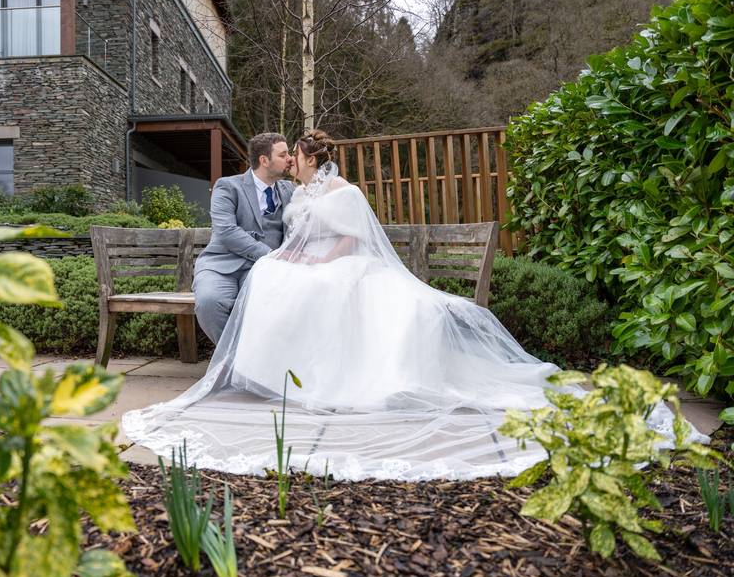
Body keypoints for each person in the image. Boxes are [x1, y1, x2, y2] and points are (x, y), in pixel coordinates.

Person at [123, 129, 693, 482]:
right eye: (282, 155)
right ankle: (266, 375)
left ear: (306, 158)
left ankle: (314, 376)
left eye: (292, 154)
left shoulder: (342, 193)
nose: (287, 161)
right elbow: (275, 236)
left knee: (308, 286)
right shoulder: (286, 192)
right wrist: (287, 261)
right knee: (279, 284)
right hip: (258, 266)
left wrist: (307, 262)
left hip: (341, 266)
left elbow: (344, 240)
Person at [193, 132, 295, 344]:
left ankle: (251, 364)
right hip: (221, 265)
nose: (290, 159)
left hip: (263, 272)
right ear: (264, 160)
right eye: (283, 155)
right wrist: (271, 255)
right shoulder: (228, 186)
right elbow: (226, 230)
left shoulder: (289, 189)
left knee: (266, 305)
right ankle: (234, 363)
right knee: (209, 302)